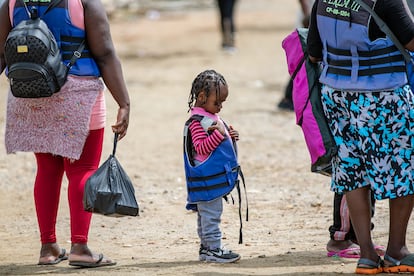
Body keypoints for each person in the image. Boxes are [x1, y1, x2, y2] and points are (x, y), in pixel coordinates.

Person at [0, 0, 130, 268]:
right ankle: (80, 248)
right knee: (82, 169)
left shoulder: (13, 2)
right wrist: (124, 103)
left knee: (47, 170)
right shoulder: (83, 2)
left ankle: (48, 248)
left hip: (30, 93)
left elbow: (2, 53)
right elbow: (105, 53)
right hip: (78, 93)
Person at [308, 0, 414, 274]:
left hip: (336, 95)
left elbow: (314, 54)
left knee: (353, 172)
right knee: (403, 169)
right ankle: (396, 251)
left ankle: (366, 254)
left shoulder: (324, 1)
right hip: (382, 95)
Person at [183, 69, 241, 263]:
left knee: (206, 215)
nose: (221, 107)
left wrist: (229, 136)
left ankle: (207, 249)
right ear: (201, 97)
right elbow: (201, 147)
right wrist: (219, 135)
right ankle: (214, 249)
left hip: (210, 180)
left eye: (223, 102)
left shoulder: (209, 117)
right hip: (206, 181)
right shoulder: (196, 122)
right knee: (211, 216)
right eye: (217, 102)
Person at [277, 0, 314, 111]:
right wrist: (307, 15)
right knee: (304, 60)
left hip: (318, 16)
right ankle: (290, 97)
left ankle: (291, 97)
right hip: (310, 18)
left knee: (307, 61)